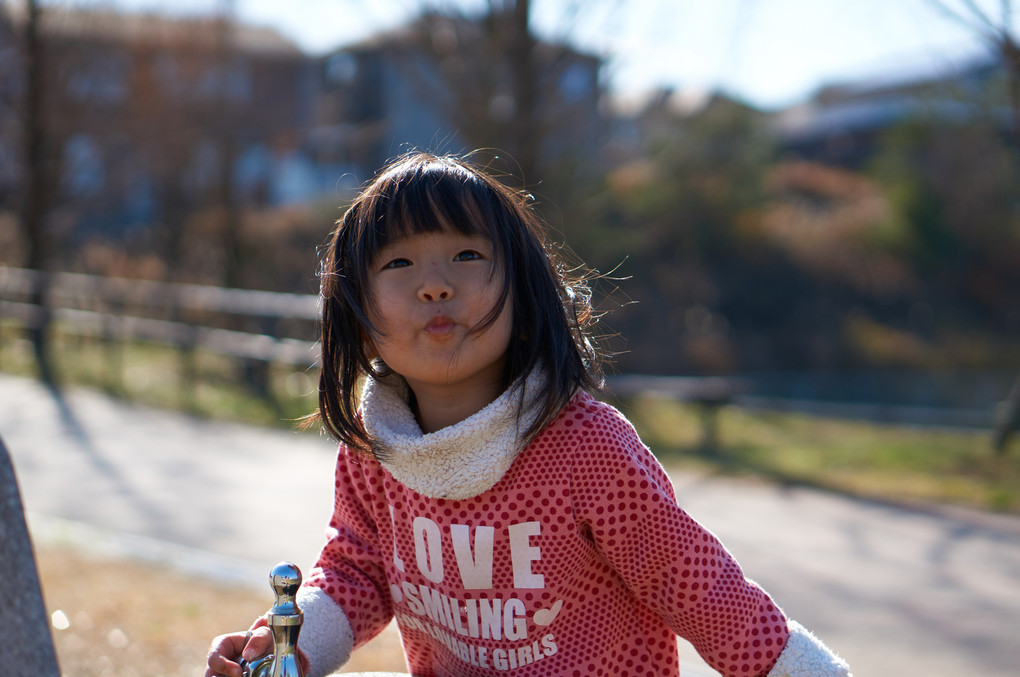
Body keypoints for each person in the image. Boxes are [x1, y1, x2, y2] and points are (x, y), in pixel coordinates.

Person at [206, 152, 852, 677]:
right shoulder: (377, 452)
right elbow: (355, 572)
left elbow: (697, 587)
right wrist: (283, 648)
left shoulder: (587, 447)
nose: (436, 283)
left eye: (467, 255)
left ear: (526, 290)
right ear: (359, 317)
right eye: (399, 263)